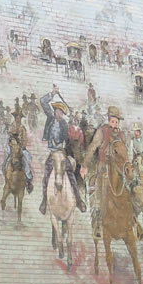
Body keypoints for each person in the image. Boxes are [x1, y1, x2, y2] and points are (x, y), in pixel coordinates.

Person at [82, 105, 129, 237]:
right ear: (109, 120)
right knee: (98, 191)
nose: (115, 124)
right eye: (113, 121)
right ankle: (97, 222)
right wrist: (84, 165)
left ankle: (134, 222)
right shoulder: (102, 131)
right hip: (103, 166)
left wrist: (127, 165)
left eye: (117, 121)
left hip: (118, 168)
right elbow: (92, 147)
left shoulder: (121, 134)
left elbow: (125, 152)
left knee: (130, 189)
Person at [39, 86, 86, 214]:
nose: (58, 113)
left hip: (61, 152)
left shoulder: (65, 124)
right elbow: (42, 102)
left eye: (60, 111)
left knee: (70, 174)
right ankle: (44, 201)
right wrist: (52, 93)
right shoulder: (50, 119)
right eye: (56, 111)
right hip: (52, 152)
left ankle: (78, 199)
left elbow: (66, 138)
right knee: (47, 173)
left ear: (63, 113)